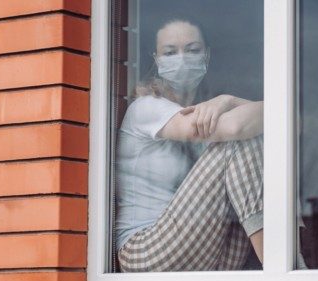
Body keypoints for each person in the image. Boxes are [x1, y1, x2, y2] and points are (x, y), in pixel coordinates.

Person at [115, 18, 307, 272]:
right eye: (170, 52)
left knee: (255, 146)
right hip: (145, 249)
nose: (181, 59)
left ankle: (289, 262)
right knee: (239, 141)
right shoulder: (146, 108)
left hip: (203, 245)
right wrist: (227, 103)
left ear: (206, 56)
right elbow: (236, 128)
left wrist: (228, 100)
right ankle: (287, 269)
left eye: (192, 50)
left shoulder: (208, 111)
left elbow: (291, 122)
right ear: (156, 59)